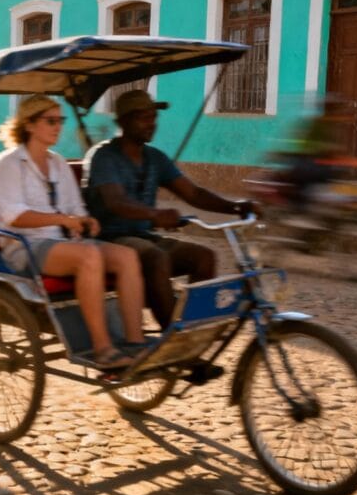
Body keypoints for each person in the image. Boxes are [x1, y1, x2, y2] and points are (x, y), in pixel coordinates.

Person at [0, 94, 148, 371]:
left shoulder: (58, 163)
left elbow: (75, 206)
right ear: (29, 124)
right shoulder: (8, 164)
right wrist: (63, 219)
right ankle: (103, 348)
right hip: (26, 246)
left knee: (127, 256)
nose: (58, 126)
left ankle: (135, 342)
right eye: (50, 121)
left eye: (60, 120)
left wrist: (85, 220)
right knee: (89, 257)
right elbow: (14, 215)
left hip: (65, 242)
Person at [83, 88, 256, 329]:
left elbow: (193, 193)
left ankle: (194, 323)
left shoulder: (155, 158)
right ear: (123, 122)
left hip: (144, 236)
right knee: (157, 257)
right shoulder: (105, 157)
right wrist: (155, 214)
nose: (151, 123)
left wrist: (236, 207)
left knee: (204, 257)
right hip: (110, 239)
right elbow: (116, 201)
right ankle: (172, 332)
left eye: (153, 117)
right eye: (143, 117)